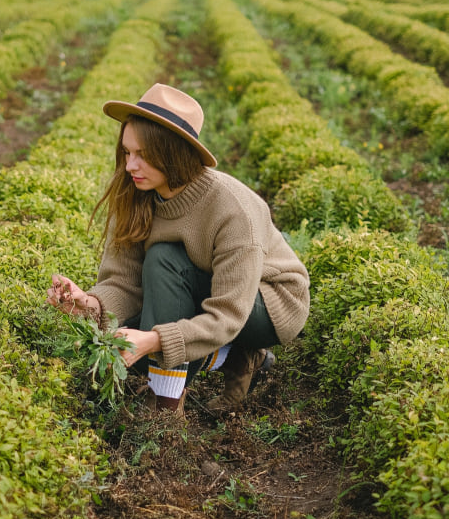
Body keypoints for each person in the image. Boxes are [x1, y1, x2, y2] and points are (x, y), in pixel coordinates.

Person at [47, 83, 310, 415]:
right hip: (200, 287)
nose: (130, 166)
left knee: (161, 272)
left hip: (265, 303)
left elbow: (229, 314)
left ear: (172, 153)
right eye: (127, 153)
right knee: (124, 335)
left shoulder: (232, 209)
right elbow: (123, 283)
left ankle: (167, 411)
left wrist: (156, 340)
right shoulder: (135, 193)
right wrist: (87, 302)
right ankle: (236, 359)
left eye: (142, 155)